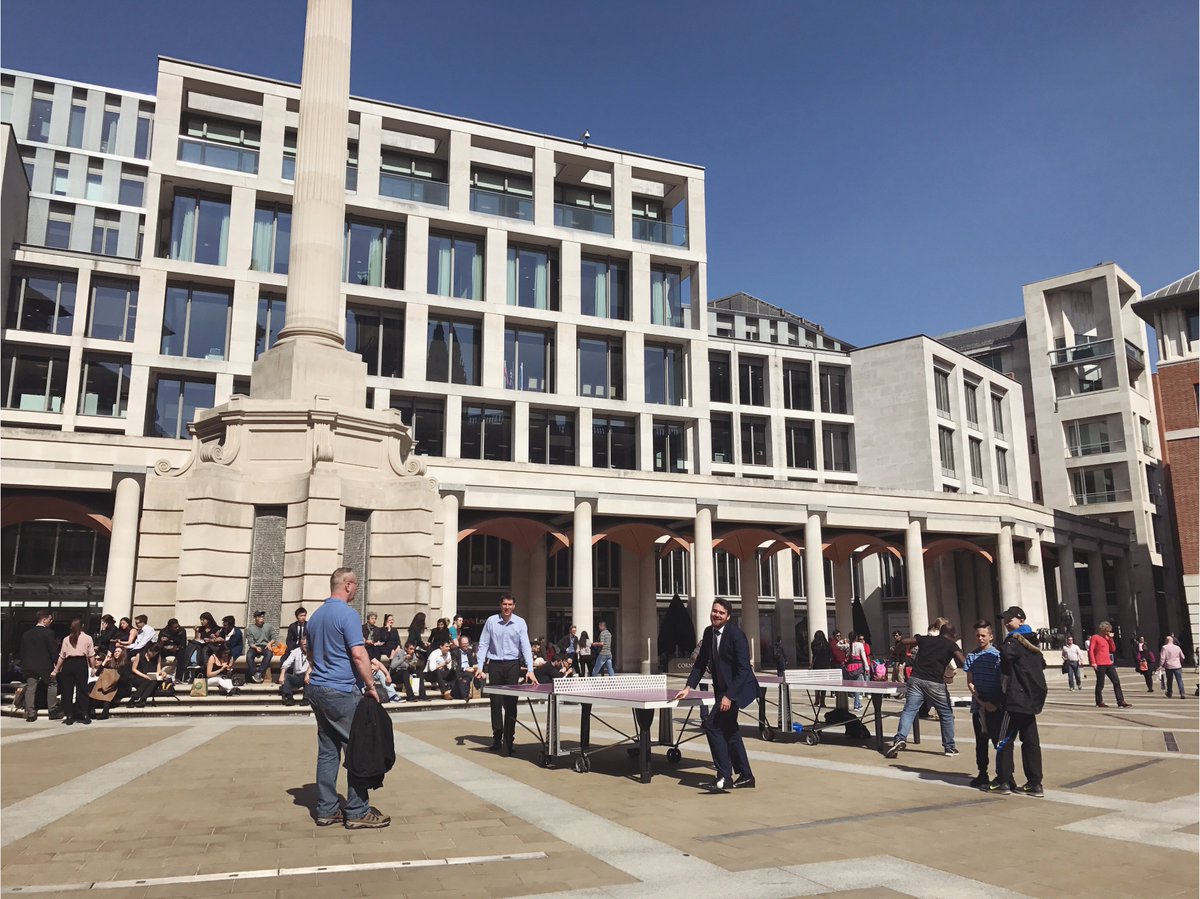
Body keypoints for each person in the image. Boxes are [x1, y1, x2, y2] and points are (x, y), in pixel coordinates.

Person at [304, 568, 387, 829]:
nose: (357, 589)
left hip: (317, 688)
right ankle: (357, 810)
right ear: (348, 585)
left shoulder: (316, 616)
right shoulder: (348, 615)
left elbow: (308, 650)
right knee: (358, 748)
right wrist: (371, 686)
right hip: (340, 690)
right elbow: (359, 655)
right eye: (356, 585)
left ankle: (327, 809)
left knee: (328, 750)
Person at [675, 598, 759, 792]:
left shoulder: (736, 635)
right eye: (715, 611)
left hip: (738, 689)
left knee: (712, 725)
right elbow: (700, 662)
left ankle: (724, 776)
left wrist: (729, 696)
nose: (716, 615)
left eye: (721, 613)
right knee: (730, 730)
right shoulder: (708, 633)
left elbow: (744, 669)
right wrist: (688, 687)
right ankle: (746, 775)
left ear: (728, 616)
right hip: (722, 690)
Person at [885, 622, 966, 758]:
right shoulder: (951, 645)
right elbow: (963, 661)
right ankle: (949, 747)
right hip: (935, 683)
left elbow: (905, 641)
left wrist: (895, 654)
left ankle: (900, 738)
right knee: (946, 714)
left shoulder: (926, 639)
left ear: (940, 631)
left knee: (909, 710)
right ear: (954, 635)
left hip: (916, 679)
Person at [991, 607, 1047, 797]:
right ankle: (1035, 783)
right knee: (1031, 741)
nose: (1007, 622)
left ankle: (1004, 780)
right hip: (1031, 699)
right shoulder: (1033, 642)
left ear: (1021, 620)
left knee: (1004, 740)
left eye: (1010, 619)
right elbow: (1042, 664)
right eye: (1005, 619)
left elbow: (1007, 657)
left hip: (1015, 698)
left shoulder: (1013, 642)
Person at [476, 594, 537, 756]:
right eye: (504, 604)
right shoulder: (491, 621)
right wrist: (480, 666)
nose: (507, 607)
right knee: (495, 703)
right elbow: (483, 644)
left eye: (510, 604)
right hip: (495, 664)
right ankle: (497, 737)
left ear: (514, 606)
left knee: (511, 704)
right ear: (500, 605)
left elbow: (525, 646)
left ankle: (509, 740)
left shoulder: (520, 623)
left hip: (512, 665)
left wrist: (530, 669)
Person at [964, 620, 1002, 788]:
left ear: (991, 636)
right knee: (981, 742)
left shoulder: (998, 656)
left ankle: (1004, 774)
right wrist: (981, 702)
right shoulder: (971, 656)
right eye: (977, 636)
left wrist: (994, 703)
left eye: (983, 635)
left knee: (1000, 742)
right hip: (979, 706)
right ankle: (982, 773)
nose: (980, 638)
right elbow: (970, 682)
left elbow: (1003, 682)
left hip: (996, 704)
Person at [50, 617, 95, 725]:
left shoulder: (66, 639)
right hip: (81, 663)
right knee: (82, 689)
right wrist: (92, 667)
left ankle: (69, 715)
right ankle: (84, 713)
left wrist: (56, 670)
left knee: (67, 691)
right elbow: (91, 654)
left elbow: (62, 656)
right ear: (82, 626)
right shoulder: (88, 638)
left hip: (68, 664)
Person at [19, 610, 60, 722]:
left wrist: (23, 664)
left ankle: (30, 713)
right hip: (45, 665)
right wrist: (57, 664)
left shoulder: (26, 634)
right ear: (44, 619)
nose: (51, 622)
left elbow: (22, 651)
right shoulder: (49, 633)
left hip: (29, 665)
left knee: (30, 688)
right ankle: (52, 710)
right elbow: (53, 651)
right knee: (52, 684)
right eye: (50, 619)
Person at [1089, 621, 1131, 709]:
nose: (1109, 632)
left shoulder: (1107, 638)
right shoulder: (1095, 637)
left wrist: (1111, 639)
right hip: (1100, 664)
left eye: (1109, 631)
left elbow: (1113, 649)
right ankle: (1099, 701)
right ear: (1103, 630)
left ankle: (1120, 701)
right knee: (1100, 683)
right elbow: (1091, 650)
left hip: (1108, 663)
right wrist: (1093, 662)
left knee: (1116, 681)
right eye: (1107, 631)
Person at [244, 611, 277, 684]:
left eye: (263, 616)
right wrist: (255, 647)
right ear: (255, 618)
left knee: (269, 654)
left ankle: (259, 672)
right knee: (249, 655)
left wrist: (269, 643)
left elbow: (274, 638)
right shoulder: (250, 628)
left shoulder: (268, 626)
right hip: (255, 646)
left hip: (265, 646)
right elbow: (250, 642)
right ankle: (254, 673)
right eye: (260, 617)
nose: (262, 618)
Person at [129, 643, 166, 707]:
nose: (153, 654)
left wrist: (162, 673)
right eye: (151, 652)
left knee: (153, 682)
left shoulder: (158, 657)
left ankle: (142, 699)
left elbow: (158, 670)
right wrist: (144, 676)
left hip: (151, 677)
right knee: (148, 681)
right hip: (139, 676)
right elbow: (134, 669)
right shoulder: (139, 655)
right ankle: (135, 698)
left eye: (155, 653)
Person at [279, 636, 310, 705]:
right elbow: (287, 663)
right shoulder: (296, 651)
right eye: (304, 645)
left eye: (307, 644)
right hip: (298, 676)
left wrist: (307, 674)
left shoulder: (313, 651)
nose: (306, 646)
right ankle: (289, 698)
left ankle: (306, 699)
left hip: (308, 676)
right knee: (286, 676)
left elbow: (313, 664)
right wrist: (282, 674)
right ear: (301, 645)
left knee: (310, 675)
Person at [845, 630, 871, 711]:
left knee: (855, 686)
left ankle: (858, 703)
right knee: (858, 686)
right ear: (856, 637)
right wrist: (867, 667)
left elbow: (838, 645)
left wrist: (843, 640)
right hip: (858, 667)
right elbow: (863, 656)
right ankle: (856, 705)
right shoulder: (859, 645)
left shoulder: (847, 645)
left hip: (850, 667)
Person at [809, 630, 833, 708]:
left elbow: (814, 654)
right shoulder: (826, 645)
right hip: (825, 665)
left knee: (817, 683)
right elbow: (829, 655)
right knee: (824, 683)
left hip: (816, 665)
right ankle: (822, 701)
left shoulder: (813, 644)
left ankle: (817, 699)